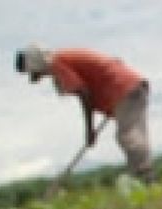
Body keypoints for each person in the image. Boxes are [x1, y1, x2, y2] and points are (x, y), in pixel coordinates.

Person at [15, 45, 153, 180]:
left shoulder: (58, 63)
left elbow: (84, 93)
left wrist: (89, 130)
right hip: (128, 88)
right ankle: (141, 176)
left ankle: (145, 177)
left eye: (31, 71)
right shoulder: (61, 60)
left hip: (125, 89)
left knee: (129, 136)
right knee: (130, 136)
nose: (34, 76)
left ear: (35, 64)